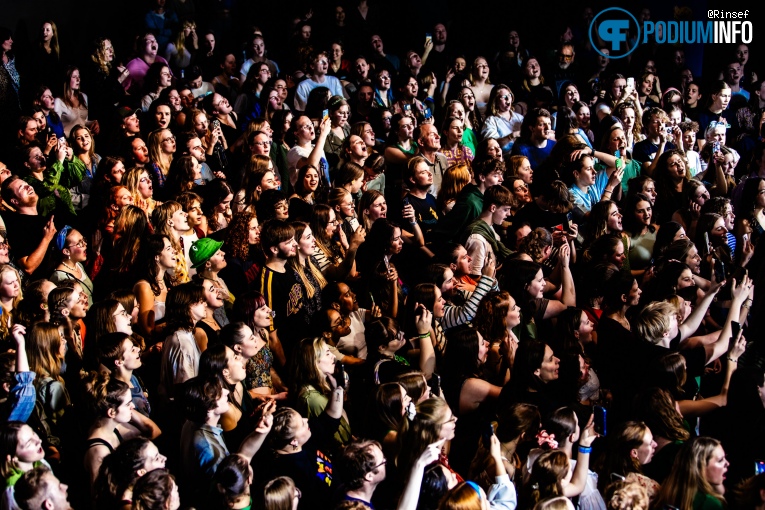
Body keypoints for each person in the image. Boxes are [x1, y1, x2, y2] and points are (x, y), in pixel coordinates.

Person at [652, 437, 729, 510]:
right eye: (720, 460)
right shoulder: (709, 503)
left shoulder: (668, 493)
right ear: (700, 467)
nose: (727, 463)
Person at [481, 84, 524, 156]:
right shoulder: (491, 121)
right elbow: (491, 146)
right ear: (496, 101)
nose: (507, 98)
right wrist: (511, 136)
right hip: (504, 159)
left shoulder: (520, 118)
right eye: (503, 97)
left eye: (509, 95)